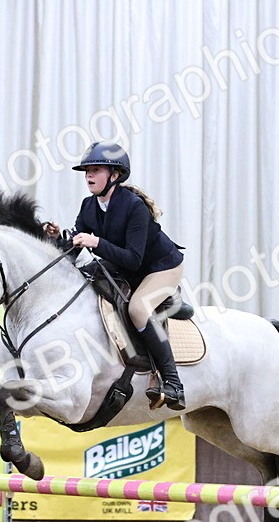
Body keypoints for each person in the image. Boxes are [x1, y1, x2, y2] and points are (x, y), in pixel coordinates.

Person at [44, 141, 187, 410]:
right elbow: (76, 246)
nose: (88, 175)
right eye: (87, 171)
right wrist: (56, 238)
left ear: (115, 175)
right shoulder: (89, 205)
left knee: (138, 309)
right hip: (125, 266)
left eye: (96, 170)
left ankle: (173, 383)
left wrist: (96, 242)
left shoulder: (134, 207)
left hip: (160, 267)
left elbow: (133, 260)